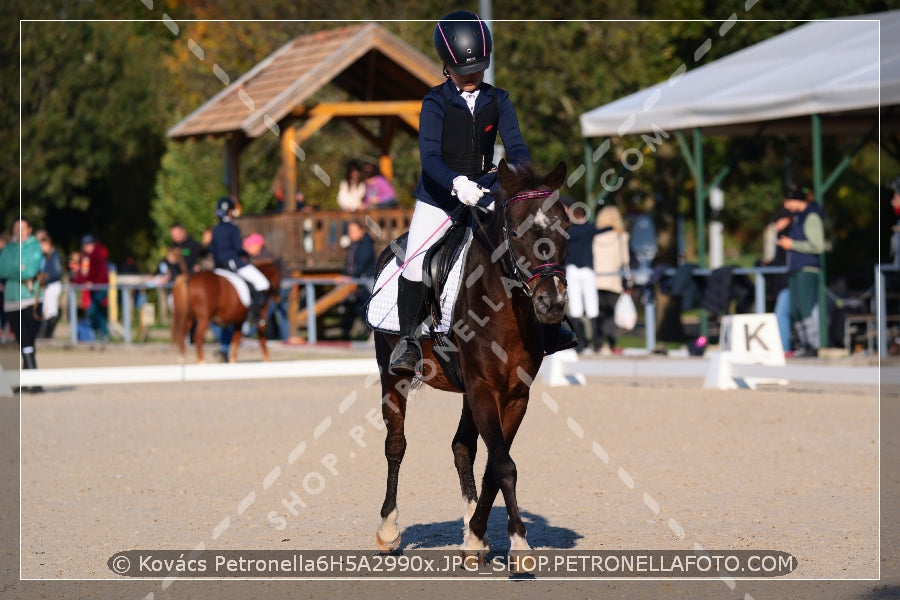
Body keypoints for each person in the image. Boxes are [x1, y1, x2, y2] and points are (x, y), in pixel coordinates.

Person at [388, 10, 576, 375]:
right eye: (465, 71)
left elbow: (517, 150)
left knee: (525, 245)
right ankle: (410, 343)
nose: (474, 76)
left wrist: (510, 183)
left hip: (489, 191)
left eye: (480, 69)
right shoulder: (435, 103)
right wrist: (458, 184)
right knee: (416, 260)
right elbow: (429, 157)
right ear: (447, 66)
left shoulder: (499, 99)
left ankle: (547, 328)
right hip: (440, 197)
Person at [777, 183, 824, 357]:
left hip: (807, 267)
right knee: (795, 308)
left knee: (804, 308)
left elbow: (817, 245)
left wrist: (792, 245)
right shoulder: (797, 217)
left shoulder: (811, 216)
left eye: (788, 200)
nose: (786, 205)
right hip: (795, 268)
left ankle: (811, 345)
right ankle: (804, 345)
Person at [209, 197, 270, 327]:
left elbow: (212, 249)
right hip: (233, 263)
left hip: (218, 265)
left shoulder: (215, 229)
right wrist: (247, 253)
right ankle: (253, 315)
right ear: (230, 212)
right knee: (262, 283)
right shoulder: (233, 228)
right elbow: (237, 248)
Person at [0, 217, 44, 392]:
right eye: (17, 229)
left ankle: (29, 379)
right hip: (12, 301)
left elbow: (32, 270)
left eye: (23, 228)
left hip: (30, 299)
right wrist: (21, 270)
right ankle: (31, 378)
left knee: (28, 340)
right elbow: (3, 269)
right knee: (23, 340)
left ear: (30, 230)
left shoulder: (35, 247)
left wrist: (16, 271)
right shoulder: (8, 249)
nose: (20, 232)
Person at [561, 197, 599, 353]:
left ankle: (582, 342)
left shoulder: (569, 231)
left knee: (579, 306)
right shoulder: (588, 229)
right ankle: (593, 342)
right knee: (589, 306)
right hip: (582, 269)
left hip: (576, 269)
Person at [592, 205, 631, 355]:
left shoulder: (594, 236)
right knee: (611, 314)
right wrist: (628, 281)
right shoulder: (621, 237)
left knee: (597, 314)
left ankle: (597, 344)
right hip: (613, 280)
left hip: (596, 279)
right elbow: (625, 261)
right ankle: (612, 344)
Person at [758, 207, 793, 353]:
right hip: (785, 283)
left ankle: (784, 348)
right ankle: (784, 347)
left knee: (782, 314)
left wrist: (769, 264)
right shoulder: (782, 234)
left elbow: (783, 261)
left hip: (789, 282)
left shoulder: (788, 235)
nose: (775, 225)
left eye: (777, 221)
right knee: (783, 314)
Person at [242, 232, 288, 341]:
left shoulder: (264, 258)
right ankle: (284, 338)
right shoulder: (258, 257)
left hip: (281, 286)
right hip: (277, 286)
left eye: (248, 246)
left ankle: (248, 333)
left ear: (257, 245)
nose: (246, 249)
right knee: (281, 314)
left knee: (267, 311)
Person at [337, 220, 376, 339]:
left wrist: (349, 277)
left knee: (366, 306)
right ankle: (347, 334)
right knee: (352, 306)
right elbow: (348, 265)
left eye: (354, 231)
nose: (351, 233)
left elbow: (361, 266)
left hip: (366, 282)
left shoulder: (366, 245)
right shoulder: (354, 245)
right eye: (350, 231)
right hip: (356, 282)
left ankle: (372, 331)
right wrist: (344, 276)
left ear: (361, 231)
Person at [73, 234, 110, 341]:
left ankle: (102, 332)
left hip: (100, 286)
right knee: (98, 311)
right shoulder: (85, 257)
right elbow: (82, 273)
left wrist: (93, 282)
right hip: (93, 288)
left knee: (93, 310)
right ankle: (102, 333)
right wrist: (76, 282)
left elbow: (99, 272)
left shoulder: (98, 254)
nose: (88, 247)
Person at [35, 230, 64, 339]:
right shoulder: (46, 256)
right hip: (47, 286)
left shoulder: (54, 255)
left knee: (50, 311)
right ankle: (46, 334)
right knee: (47, 311)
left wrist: (45, 279)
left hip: (51, 286)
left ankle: (47, 335)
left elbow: (56, 272)